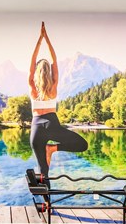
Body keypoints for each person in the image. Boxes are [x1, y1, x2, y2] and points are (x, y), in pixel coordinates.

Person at [28, 22, 87, 178]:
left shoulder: (32, 87)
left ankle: (46, 202)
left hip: (36, 129)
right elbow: (54, 59)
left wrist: (39, 40)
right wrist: (46, 38)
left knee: (42, 172)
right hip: (52, 124)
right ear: (49, 72)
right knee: (82, 145)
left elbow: (32, 61)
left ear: (36, 72)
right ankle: (52, 149)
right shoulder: (53, 86)